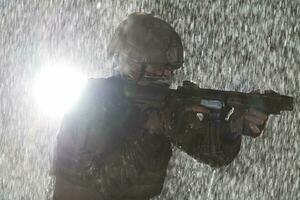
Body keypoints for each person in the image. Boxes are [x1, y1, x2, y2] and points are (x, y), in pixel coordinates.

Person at [52, 13, 268, 200]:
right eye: (159, 67)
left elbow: (213, 154)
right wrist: (149, 130)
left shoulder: (164, 105)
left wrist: (231, 129)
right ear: (134, 62)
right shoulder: (94, 103)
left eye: (170, 68)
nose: (168, 74)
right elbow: (101, 184)